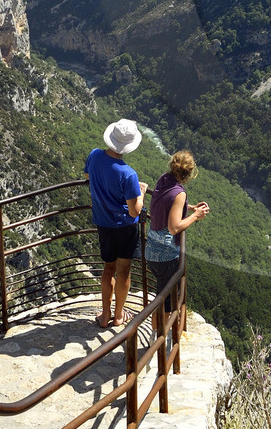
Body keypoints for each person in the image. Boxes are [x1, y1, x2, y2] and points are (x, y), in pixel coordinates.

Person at [84, 118, 143, 329]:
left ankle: (105, 315)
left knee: (108, 268)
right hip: (125, 227)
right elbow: (135, 210)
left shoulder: (94, 155)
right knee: (123, 270)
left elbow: (88, 175)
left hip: (103, 223)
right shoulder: (128, 174)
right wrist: (141, 193)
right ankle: (118, 315)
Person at [144, 150, 208, 330]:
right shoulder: (179, 194)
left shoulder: (163, 179)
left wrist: (188, 207)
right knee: (166, 302)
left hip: (151, 250)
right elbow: (174, 227)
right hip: (166, 256)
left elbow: (167, 203)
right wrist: (196, 215)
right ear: (190, 174)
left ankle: (155, 333)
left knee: (160, 295)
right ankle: (161, 337)